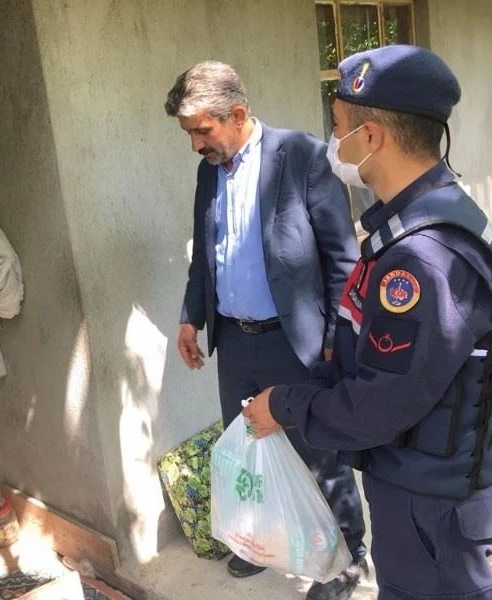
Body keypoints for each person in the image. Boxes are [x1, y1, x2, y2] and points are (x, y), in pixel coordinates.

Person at [243, 44, 492, 599]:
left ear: (372, 136)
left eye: (338, 127)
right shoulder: (419, 222)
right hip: (425, 490)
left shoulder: (419, 260)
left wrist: (284, 405)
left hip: (434, 512)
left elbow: (377, 408)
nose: (333, 142)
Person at [165, 61, 367, 599]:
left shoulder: (303, 158)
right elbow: (205, 257)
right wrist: (191, 317)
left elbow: (343, 263)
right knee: (249, 447)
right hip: (234, 342)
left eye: (201, 131)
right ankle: (262, 544)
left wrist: (334, 342)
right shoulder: (209, 172)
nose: (195, 145)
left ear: (237, 114)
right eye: (189, 134)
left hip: (295, 342)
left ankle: (347, 558)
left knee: (317, 451)